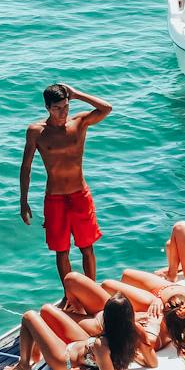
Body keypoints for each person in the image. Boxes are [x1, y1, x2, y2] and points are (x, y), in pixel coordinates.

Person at [19, 82, 112, 286]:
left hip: (80, 195)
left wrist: (77, 94)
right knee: (62, 251)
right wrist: (23, 201)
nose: (63, 112)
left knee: (87, 248)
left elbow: (107, 108)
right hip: (55, 199)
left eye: (66, 106)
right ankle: (69, 295)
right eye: (57, 108)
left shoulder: (79, 123)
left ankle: (92, 291)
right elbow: (26, 167)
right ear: (47, 108)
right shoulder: (36, 132)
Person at [11, 293, 139, 370]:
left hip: (66, 362)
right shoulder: (133, 333)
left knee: (29, 316)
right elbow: (149, 360)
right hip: (83, 347)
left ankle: (24, 364)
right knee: (46, 309)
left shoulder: (101, 345)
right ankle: (37, 353)